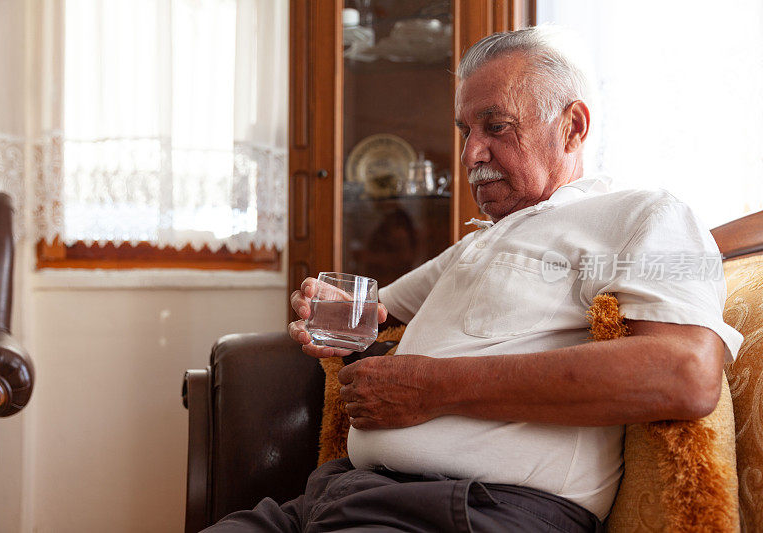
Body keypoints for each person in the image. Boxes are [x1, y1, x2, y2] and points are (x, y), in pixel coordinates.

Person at [204, 25, 743, 532]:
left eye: (496, 127)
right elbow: (373, 315)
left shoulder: (642, 215)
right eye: (465, 130)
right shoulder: (479, 242)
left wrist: (433, 389)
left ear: (573, 125)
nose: (469, 154)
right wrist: (328, 310)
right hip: (336, 496)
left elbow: (685, 373)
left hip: (466, 510)